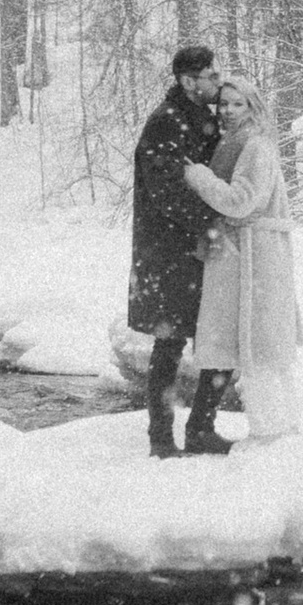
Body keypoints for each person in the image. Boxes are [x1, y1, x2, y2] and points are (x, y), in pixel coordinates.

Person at [182, 74, 303, 449]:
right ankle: (204, 428)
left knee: (259, 347)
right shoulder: (234, 142)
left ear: (253, 107)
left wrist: (198, 176)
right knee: (233, 344)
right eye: (224, 104)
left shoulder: (255, 146)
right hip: (240, 254)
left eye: (238, 104)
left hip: (255, 257)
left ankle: (271, 433)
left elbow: (240, 201)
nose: (228, 111)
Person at [127, 41, 221, 455]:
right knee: (170, 345)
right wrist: (209, 225)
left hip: (198, 249)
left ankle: (200, 429)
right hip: (170, 252)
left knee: (217, 338)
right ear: (188, 81)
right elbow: (166, 190)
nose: (218, 81)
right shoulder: (167, 122)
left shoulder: (202, 118)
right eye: (211, 75)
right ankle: (162, 439)